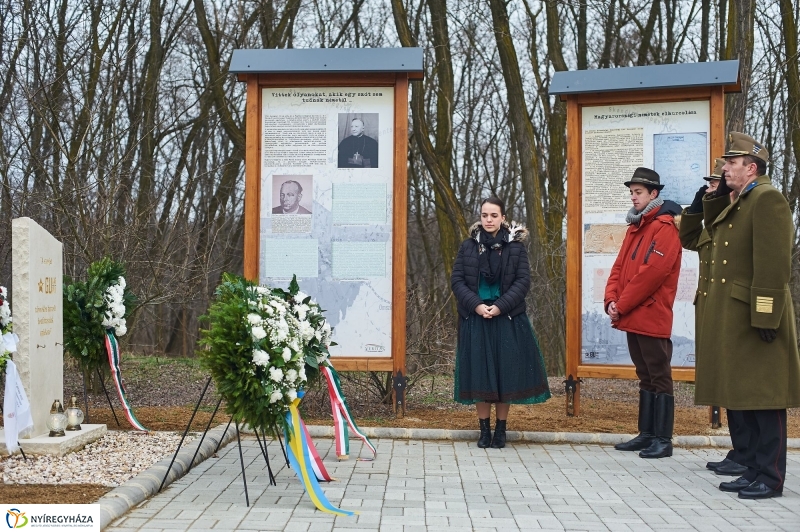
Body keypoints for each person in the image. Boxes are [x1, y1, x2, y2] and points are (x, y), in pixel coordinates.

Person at [695, 132, 800, 499]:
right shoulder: (743, 200)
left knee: (765, 399)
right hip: (741, 317)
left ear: (751, 167)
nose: (724, 168)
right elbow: (704, 235)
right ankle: (754, 469)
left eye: (731, 163)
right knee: (747, 397)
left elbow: (772, 266)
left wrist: (766, 316)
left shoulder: (767, 199)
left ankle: (771, 478)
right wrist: (711, 200)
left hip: (758, 317)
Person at [451, 197, 550, 449]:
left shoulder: (515, 248)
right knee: (480, 376)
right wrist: (477, 305)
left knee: (504, 375)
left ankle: (501, 430)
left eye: (494, 215)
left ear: (503, 218)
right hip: (475, 318)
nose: (488, 220)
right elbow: (458, 281)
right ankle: (484, 430)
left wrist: (499, 307)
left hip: (507, 318)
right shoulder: (468, 247)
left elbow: (522, 282)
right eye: (484, 215)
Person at [604, 167, 682, 459]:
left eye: (639, 192)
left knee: (659, 375)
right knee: (645, 375)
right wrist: (610, 298)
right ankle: (647, 434)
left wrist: (621, 305)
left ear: (654, 194)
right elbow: (619, 268)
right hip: (631, 313)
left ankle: (663, 439)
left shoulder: (665, 227)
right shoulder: (635, 227)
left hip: (651, 314)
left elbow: (653, 274)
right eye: (632, 192)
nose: (633, 197)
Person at [680, 159, 748, 477]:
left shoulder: (733, 224)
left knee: (736, 385)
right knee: (724, 383)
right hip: (710, 310)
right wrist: (697, 206)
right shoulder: (715, 225)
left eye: (715, 184)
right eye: (709, 184)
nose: (711, 188)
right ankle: (739, 450)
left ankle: (745, 452)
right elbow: (688, 238)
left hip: (732, 312)